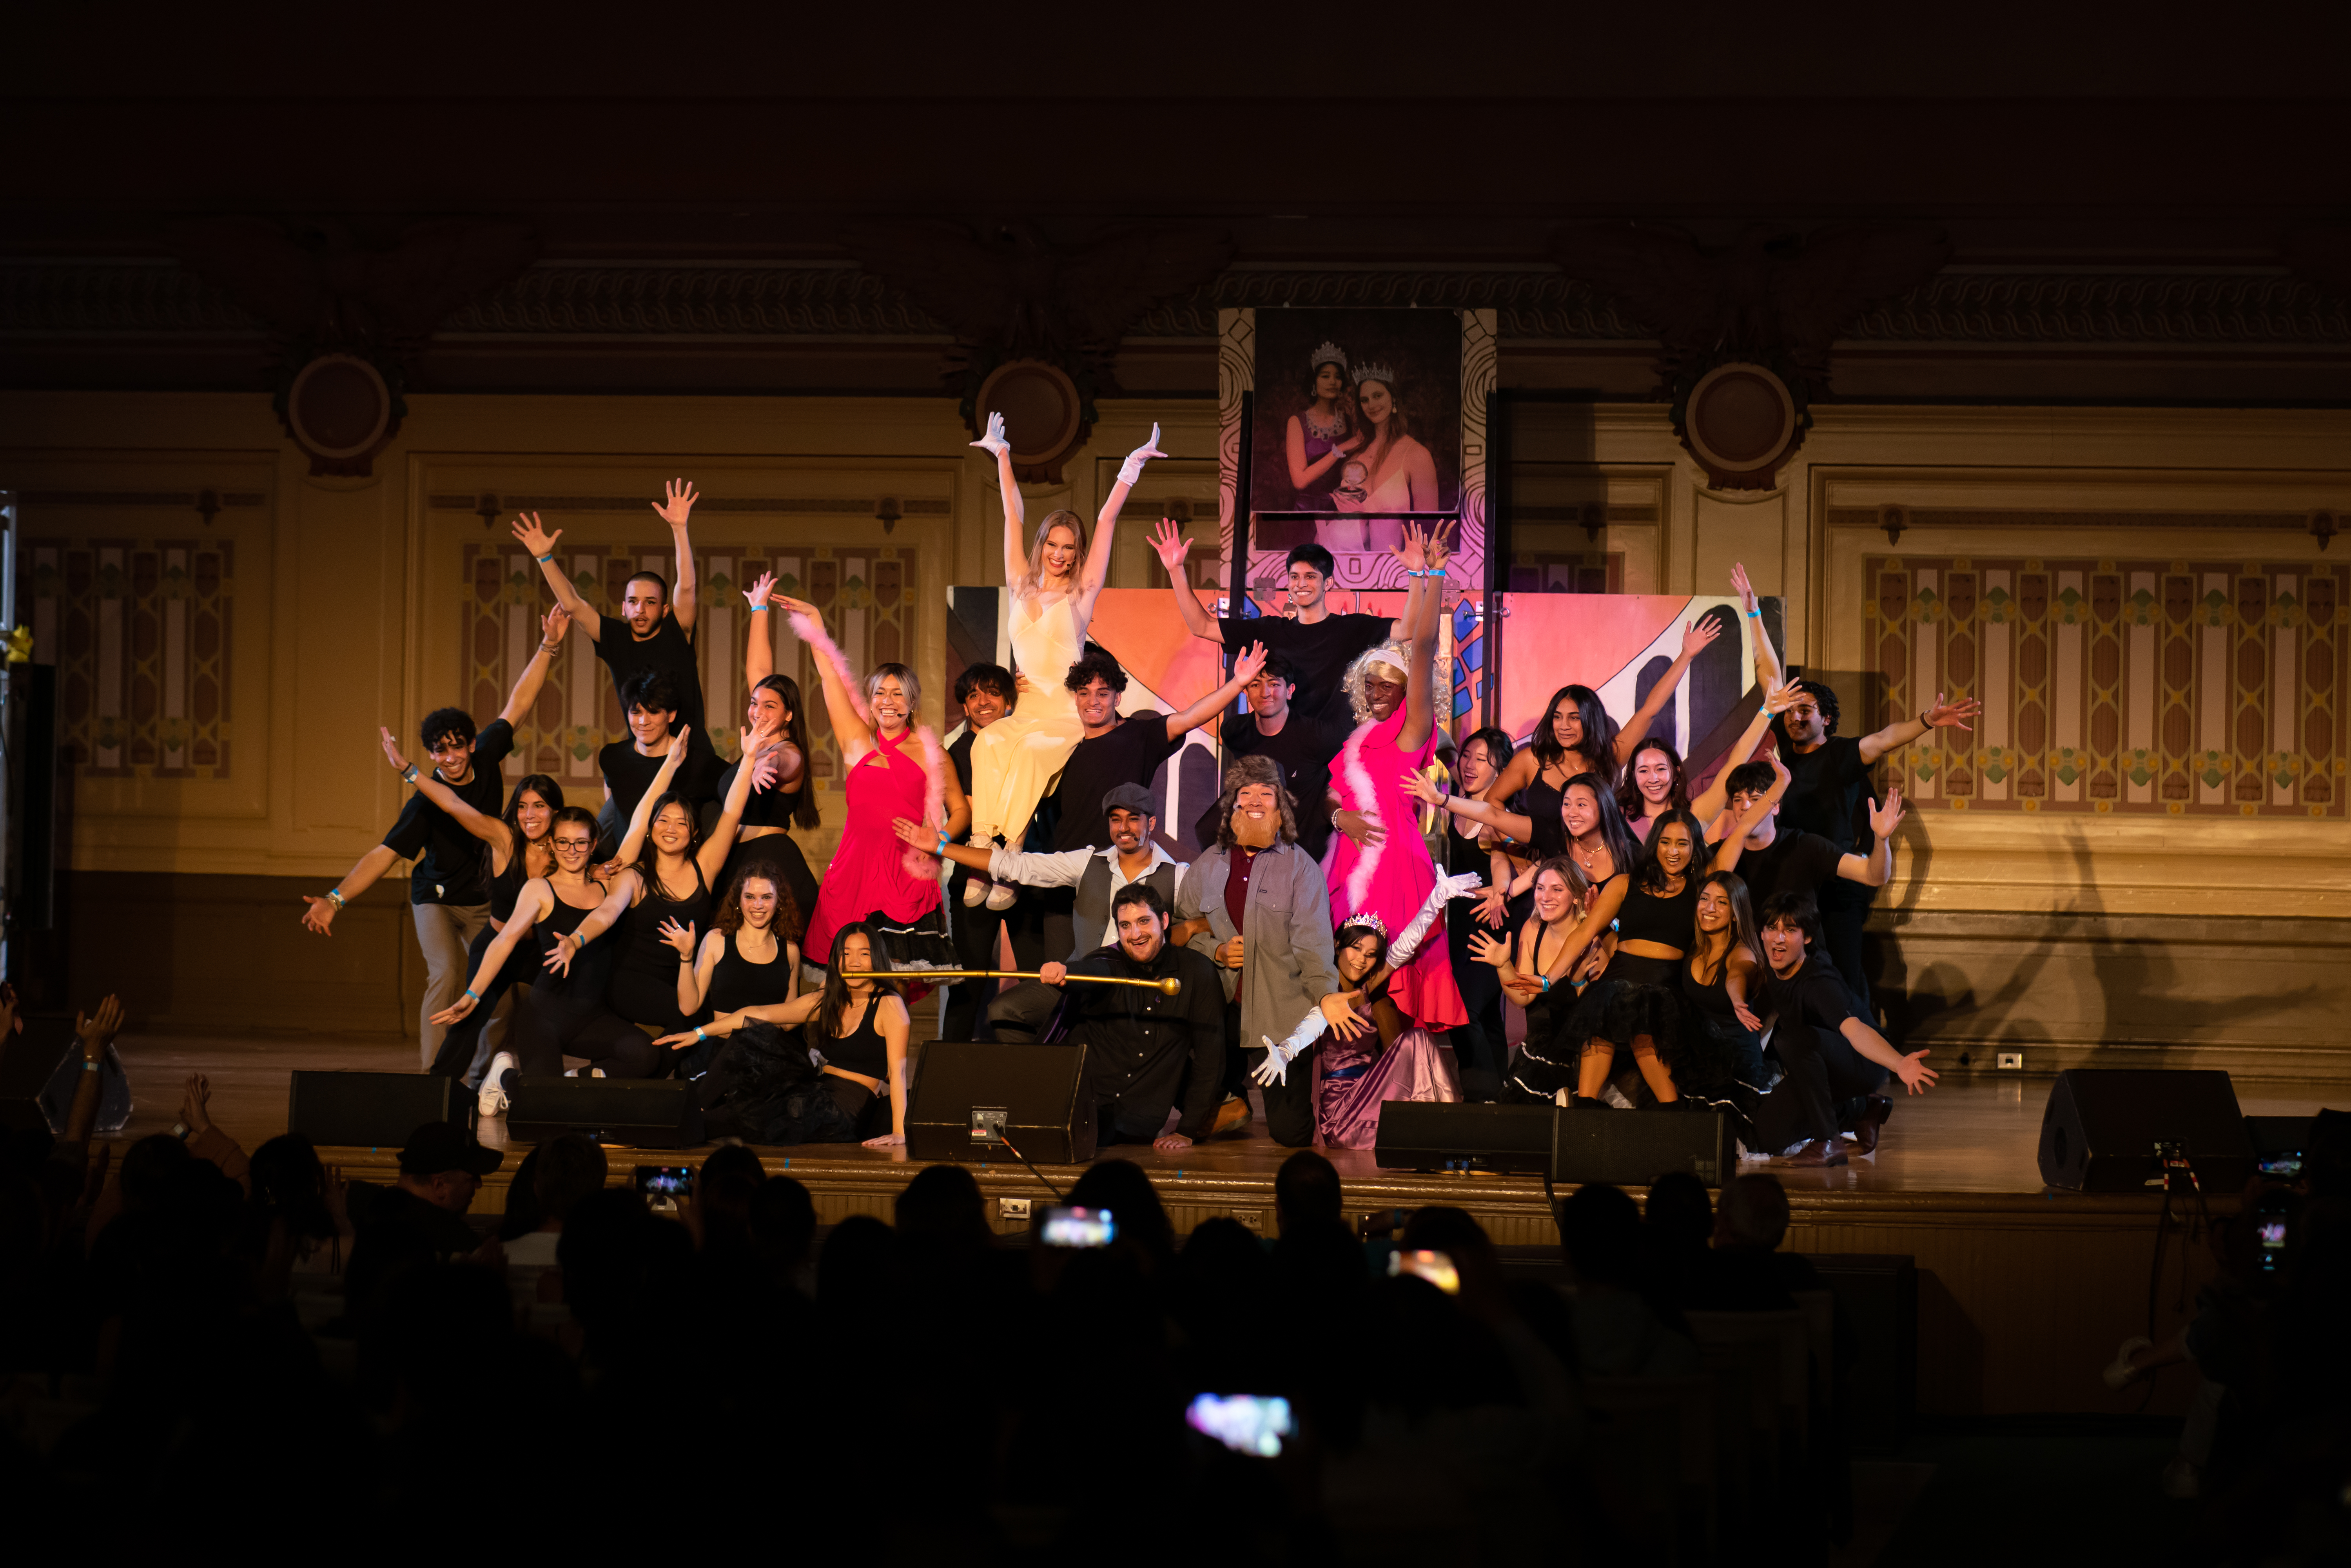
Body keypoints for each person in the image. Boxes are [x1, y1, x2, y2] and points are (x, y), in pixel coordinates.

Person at [303, 605, 567, 1070]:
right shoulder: (425, 801)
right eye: (439, 750)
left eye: (458, 744)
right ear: (431, 754)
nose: (451, 756)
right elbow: (382, 854)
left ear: (471, 743)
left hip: (484, 898)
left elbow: (519, 704)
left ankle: (482, 1077)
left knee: (498, 992)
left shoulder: (485, 757)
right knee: (445, 976)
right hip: (438, 899)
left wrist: (548, 646)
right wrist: (335, 898)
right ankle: (432, 1081)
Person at [961, 411, 1165, 908]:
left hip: (1062, 715)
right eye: (1053, 545)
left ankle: (1007, 862)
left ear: (1077, 555)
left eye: (1068, 548)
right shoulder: (1020, 585)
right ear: (1043, 547)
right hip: (1026, 710)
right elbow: (1013, 513)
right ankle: (983, 843)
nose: (1059, 554)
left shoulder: (1080, 596)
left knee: (1029, 757)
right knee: (987, 742)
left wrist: (1129, 470)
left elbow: (1107, 520)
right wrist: (1003, 454)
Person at [1027, 641, 1270, 960]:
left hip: (1119, 878)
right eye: (1084, 693)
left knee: (1118, 979)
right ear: (1075, 698)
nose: (1093, 701)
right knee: (1061, 984)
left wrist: (1238, 684)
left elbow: (1191, 717)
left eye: (1103, 693)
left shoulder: (1139, 736)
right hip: (1064, 879)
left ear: (1118, 697)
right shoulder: (1063, 743)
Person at [898, 782, 1186, 1044]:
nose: (1124, 827)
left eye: (1133, 819)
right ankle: (1042, 1084)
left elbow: (1206, 921)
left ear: (1151, 823)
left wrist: (1190, 930)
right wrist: (940, 846)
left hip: (1139, 988)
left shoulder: (1178, 876)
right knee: (1004, 1010)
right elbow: (1016, 866)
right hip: (1081, 981)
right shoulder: (1088, 862)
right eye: (1116, 819)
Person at [1177, 755, 1365, 1147]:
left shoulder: (1301, 868)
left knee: (1289, 1132)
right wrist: (1215, 951)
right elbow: (1184, 930)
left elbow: (1312, 945)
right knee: (1175, 1057)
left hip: (1278, 1013)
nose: (1257, 801)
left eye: (1266, 792)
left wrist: (1327, 994)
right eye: (1246, 792)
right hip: (1221, 1007)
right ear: (1232, 804)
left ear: (1280, 805)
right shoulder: (1206, 865)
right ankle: (1229, 1100)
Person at [773, 592, 967, 970]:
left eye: (898, 694)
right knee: (846, 978)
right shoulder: (857, 742)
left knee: (892, 981)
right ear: (871, 698)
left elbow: (959, 809)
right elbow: (830, 675)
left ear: (912, 703)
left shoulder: (934, 755)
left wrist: (939, 841)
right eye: (880, 692)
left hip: (906, 875)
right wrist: (815, 626)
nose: (888, 701)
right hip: (855, 870)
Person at [550, 715, 771, 1036]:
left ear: (693, 834)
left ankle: (631, 1080)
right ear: (652, 831)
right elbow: (608, 913)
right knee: (696, 1021)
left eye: (681, 823)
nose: (671, 829)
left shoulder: (704, 867)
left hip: (681, 979)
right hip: (630, 982)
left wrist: (749, 758)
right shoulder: (634, 876)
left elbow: (732, 812)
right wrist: (575, 939)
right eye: (664, 821)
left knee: (692, 1030)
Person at [1327, 522, 1465, 1031]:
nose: (1378, 687)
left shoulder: (1411, 730)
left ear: (1407, 688)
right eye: (1371, 681)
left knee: (1388, 977)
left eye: (1389, 681)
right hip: (1348, 861)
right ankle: (1353, 1094)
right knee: (1347, 974)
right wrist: (1340, 816)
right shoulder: (1356, 741)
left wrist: (1431, 575)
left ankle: (1397, 1086)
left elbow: (1424, 644)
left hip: (1395, 863)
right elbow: (1329, 794)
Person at [1771, 676, 1979, 1011]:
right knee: (1795, 978)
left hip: (1839, 883)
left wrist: (1928, 720)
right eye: (1790, 711)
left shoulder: (1841, 753)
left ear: (1826, 718)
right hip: (1794, 886)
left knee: (1843, 981)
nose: (1796, 717)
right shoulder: (1779, 759)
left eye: (1805, 710)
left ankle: (1861, 1056)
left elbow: (1885, 739)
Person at [375, 725, 565, 1083]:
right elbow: (451, 803)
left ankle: (501, 1084)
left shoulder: (567, 850)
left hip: (537, 953)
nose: (529, 815)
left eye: (540, 806)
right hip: (495, 944)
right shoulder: (504, 837)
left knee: (539, 1018)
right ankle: (436, 1089)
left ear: (555, 811)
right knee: (468, 1016)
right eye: (523, 806)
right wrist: (408, 770)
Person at [431, 805, 652, 1104]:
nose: (571, 850)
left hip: (592, 1018)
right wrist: (474, 993)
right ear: (552, 843)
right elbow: (505, 939)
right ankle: (505, 1077)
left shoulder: (611, 885)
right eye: (563, 842)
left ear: (593, 845)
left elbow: (638, 827)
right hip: (544, 1017)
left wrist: (670, 763)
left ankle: (567, 1083)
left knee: (646, 1055)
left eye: (581, 843)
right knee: (546, 1113)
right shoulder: (539, 889)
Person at [512, 478, 714, 764]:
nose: (640, 610)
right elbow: (572, 603)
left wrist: (680, 529)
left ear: (666, 610)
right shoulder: (614, 638)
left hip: (694, 756)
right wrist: (545, 557)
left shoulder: (677, 630)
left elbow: (687, 588)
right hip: (643, 756)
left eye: (651, 603)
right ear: (623, 607)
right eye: (633, 602)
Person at [658, 923, 911, 1147]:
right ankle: (688, 1113)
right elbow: (759, 1013)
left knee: (753, 1113)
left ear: (876, 958)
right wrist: (699, 1033)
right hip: (812, 1087)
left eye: (864, 954)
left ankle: (674, 1125)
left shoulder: (889, 1004)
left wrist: (900, 1132)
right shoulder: (828, 999)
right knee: (750, 1036)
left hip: (843, 1110)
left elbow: (897, 1072)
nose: (854, 962)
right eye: (846, 954)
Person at [1151, 528, 1419, 731]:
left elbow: (1408, 628)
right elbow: (1202, 626)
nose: (1301, 584)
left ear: (1329, 583)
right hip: (1286, 751)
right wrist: (1176, 570)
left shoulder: (1353, 628)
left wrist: (1417, 575)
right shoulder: (1270, 630)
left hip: (1339, 753)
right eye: (1295, 577)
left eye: (1310, 577)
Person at [1029, 884, 1224, 1150]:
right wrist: (1063, 972)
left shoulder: (1197, 972)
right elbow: (1089, 972)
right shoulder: (1110, 962)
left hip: (1139, 1119)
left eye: (1144, 921)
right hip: (1086, 1107)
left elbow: (1210, 1056)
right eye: (1125, 925)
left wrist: (1187, 1130)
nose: (1135, 934)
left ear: (1164, 921)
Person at [1753, 891, 1937, 1165]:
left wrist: (1899, 1063)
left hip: (1861, 1062)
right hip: (1818, 1062)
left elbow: (1856, 1030)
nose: (1778, 938)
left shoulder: (1819, 982)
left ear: (1808, 937)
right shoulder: (1772, 966)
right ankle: (1862, 1109)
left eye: (1790, 930)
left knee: (1791, 1040)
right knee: (1767, 1136)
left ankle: (1829, 1141)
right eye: (1772, 928)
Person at [1311, 903, 1468, 1149]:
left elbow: (1404, 947)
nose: (1362, 960)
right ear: (1338, 945)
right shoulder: (1318, 991)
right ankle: (1455, 1131)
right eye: (1356, 948)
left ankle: (1449, 1129)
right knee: (1417, 1040)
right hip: (1340, 1110)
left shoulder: (1369, 991)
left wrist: (1438, 900)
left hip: (1371, 1093)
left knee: (1419, 1039)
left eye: (1371, 954)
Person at [721, 571, 823, 930]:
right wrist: (760, 608)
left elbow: (784, 763)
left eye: (770, 707)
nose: (757, 711)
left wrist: (763, 765)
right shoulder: (759, 741)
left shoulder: (787, 751)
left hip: (770, 861)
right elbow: (759, 670)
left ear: (789, 714)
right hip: (736, 857)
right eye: (754, 703)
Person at [1191, 651, 1348, 863]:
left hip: (1302, 847)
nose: (1265, 693)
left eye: (1274, 684)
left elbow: (1357, 755)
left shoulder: (1317, 736)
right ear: (1245, 691)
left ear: (1290, 691)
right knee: (1207, 830)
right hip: (1253, 841)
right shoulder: (1235, 732)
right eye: (1255, 685)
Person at [1707, 758, 1903, 921]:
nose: (1745, 807)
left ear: (1775, 807)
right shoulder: (1719, 854)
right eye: (1738, 800)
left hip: (1804, 962)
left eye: (1756, 800)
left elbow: (1874, 876)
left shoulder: (1806, 846)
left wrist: (1881, 839)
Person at [1468, 857, 1590, 1100]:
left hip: (1584, 1051)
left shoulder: (1591, 932)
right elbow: (1522, 999)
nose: (1546, 897)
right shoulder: (1533, 929)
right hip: (1541, 1051)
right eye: (1541, 889)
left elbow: (1596, 1009)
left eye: (1557, 890)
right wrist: (1503, 966)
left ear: (1576, 896)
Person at [666, 860, 802, 1076]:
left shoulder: (790, 950)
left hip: (769, 1055)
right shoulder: (716, 940)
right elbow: (689, 1007)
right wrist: (686, 956)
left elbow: (791, 1019)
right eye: (750, 897)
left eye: (766, 897)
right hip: (722, 1054)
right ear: (739, 900)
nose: (758, 905)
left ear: (779, 902)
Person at [1442, 727, 1520, 1101]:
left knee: (1465, 1010)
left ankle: (1482, 1098)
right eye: (1467, 756)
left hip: (1491, 924)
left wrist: (1500, 890)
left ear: (1500, 769)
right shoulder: (1462, 797)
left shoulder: (1497, 813)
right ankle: (1499, 1096)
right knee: (1487, 1016)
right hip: (1458, 925)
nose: (1469, 766)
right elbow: (1443, 747)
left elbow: (1520, 865)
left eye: (1482, 759)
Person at [1620, 679, 1800, 841]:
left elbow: (1736, 760)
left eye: (1661, 769)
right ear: (1634, 776)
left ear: (1676, 773)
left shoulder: (1696, 814)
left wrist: (1767, 712)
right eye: (1643, 771)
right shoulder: (1617, 818)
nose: (1653, 778)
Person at [940, 660, 1016, 1039]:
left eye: (993, 692)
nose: (984, 701)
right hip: (973, 875)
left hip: (1025, 874)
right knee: (967, 986)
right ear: (965, 707)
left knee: (1044, 975)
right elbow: (971, 809)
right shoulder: (962, 749)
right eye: (974, 695)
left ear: (1009, 701)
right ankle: (948, 1077)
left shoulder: (1023, 743)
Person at [344, 1120, 502, 1260]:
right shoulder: (456, 1241)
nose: (479, 1184)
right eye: (472, 1177)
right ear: (439, 1186)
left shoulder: (351, 1202)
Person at [1681, 870, 1772, 1101]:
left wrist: (1737, 1000)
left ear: (1735, 913)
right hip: (1700, 1062)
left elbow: (1739, 973)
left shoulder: (1742, 951)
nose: (1709, 908)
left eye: (1722, 903)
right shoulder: (1693, 947)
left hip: (1737, 1068)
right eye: (1705, 899)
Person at [599, 668, 722, 837]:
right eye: (636, 713)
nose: (644, 722)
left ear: (671, 715)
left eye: (654, 712)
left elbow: (738, 793)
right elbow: (612, 792)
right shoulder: (613, 756)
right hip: (627, 860)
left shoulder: (699, 763)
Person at [1326, 362, 1439, 545]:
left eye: (1377, 396)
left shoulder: (1417, 455)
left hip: (1393, 568)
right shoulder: (1356, 456)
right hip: (1343, 561)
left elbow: (1428, 531)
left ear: (1393, 398)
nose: (1371, 405)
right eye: (1365, 400)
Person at [1283, 342, 1362, 507]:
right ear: (1314, 382)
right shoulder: (1298, 422)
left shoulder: (1349, 420)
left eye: (1338, 377)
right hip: (1307, 512)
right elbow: (1300, 481)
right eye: (1325, 376)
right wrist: (1339, 450)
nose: (1333, 381)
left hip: (1342, 510)